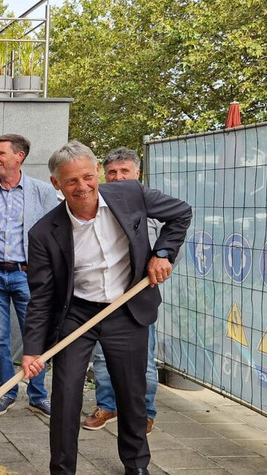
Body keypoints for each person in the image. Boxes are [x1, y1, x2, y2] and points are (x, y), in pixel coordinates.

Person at [21, 141, 191, 475]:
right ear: (55, 184)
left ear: (97, 172)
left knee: (131, 393)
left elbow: (180, 213)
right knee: (65, 395)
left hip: (126, 307)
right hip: (77, 314)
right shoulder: (43, 233)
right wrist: (33, 349)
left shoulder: (129, 194)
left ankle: (136, 464)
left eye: (87, 176)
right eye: (71, 181)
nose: (82, 186)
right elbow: (42, 297)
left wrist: (162, 253)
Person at [0, 133, 59, 418]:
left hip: (27, 275)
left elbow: (54, 234)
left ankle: (37, 394)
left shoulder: (42, 192)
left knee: (36, 337)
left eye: (0, 154)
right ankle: (6, 392)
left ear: (19, 156)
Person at [83, 147, 160, 435]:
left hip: (138, 297)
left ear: (137, 174)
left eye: (124, 171)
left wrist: (161, 255)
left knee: (144, 361)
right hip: (104, 297)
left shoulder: (147, 202)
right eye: (112, 172)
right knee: (102, 357)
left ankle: (145, 412)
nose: (117, 178)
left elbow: (165, 236)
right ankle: (108, 405)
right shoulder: (98, 202)